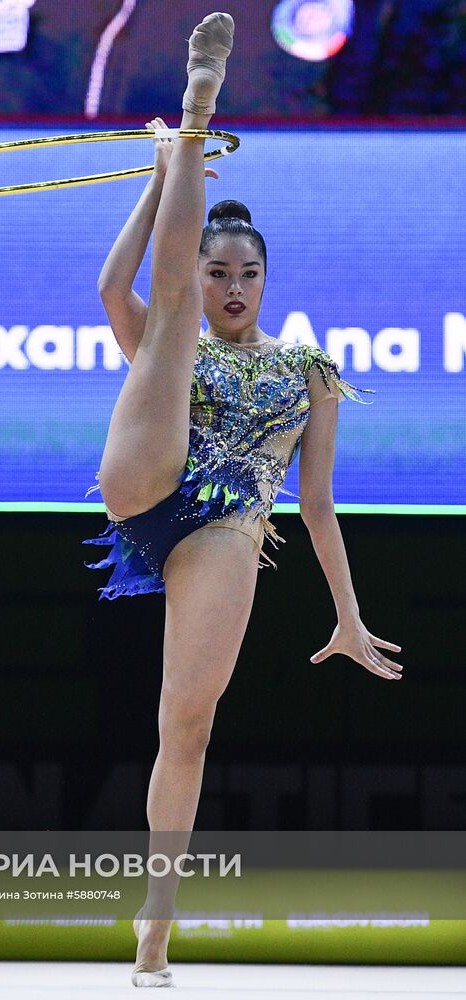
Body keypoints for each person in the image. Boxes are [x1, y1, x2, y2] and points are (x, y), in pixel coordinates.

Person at [83, 11, 404, 988]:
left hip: (226, 520)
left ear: (267, 278)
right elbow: (112, 291)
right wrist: (153, 186)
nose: (232, 284)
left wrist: (346, 612)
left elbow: (315, 504)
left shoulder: (308, 367)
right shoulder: (185, 319)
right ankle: (195, 109)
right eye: (219, 268)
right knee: (164, 316)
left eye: (246, 273)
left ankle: (154, 929)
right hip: (148, 464)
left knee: (186, 722)